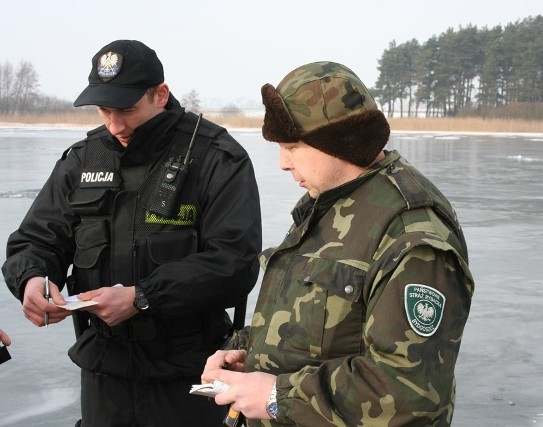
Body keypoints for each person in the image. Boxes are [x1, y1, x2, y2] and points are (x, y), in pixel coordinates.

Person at [2, 39, 262, 427]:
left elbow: (235, 262)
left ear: (160, 94)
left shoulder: (215, 157)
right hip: (105, 371)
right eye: (105, 110)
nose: (115, 124)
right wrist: (32, 279)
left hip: (194, 370)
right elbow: (36, 240)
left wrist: (142, 297)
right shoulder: (84, 159)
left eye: (126, 110)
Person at [201, 61, 474, 426]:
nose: (283, 163)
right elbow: (323, 324)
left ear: (338, 140)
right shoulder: (330, 202)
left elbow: (408, 391)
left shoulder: (411, 233)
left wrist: (274, 396)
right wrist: (250, 351)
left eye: (292, 147)